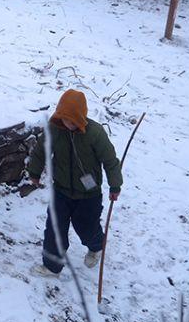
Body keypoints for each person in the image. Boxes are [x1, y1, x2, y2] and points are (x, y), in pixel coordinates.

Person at [25, 89, 122, 278]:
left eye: (71, 120)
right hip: (61, 190)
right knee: (54, 229)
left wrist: (115, 185)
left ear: (80, 117)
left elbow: (110, 160)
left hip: (88, 194)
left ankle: (96, 247)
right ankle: (52, 266)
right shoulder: (55, 129)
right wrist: (35, 172)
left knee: (87, 228)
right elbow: (40, 151)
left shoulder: (95, 133)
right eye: (63, 119)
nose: (66, 123)